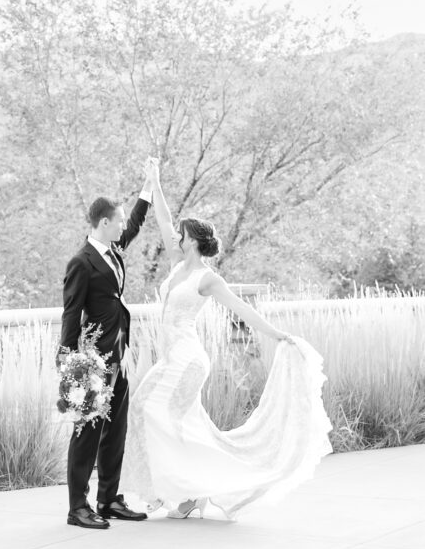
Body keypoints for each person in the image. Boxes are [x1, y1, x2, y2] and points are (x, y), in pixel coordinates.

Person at [121, 161, 332, 520]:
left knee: (161, 417)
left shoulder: (207, 278)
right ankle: (178, 490)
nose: (175, 236)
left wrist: (277, 335)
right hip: (170, 359)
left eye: (181, 234)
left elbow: (242, 310)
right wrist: (154, 182)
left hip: (188, 361)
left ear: (192, 241)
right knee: (145, 410)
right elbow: (164, 220)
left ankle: (181, 492)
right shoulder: (176, 263)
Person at [59, 158, 157, 530]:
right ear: (103, 223)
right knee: (87, 432)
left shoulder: (113, 251)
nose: (122, 227)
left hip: (120, 356)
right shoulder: (81, 263)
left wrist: (149, 186)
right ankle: (77, 507)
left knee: (115, 427)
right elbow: (71, 315)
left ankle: (109, 499)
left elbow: (134, 224)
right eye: (116, 221)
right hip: (91, 359)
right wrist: (69, 363)